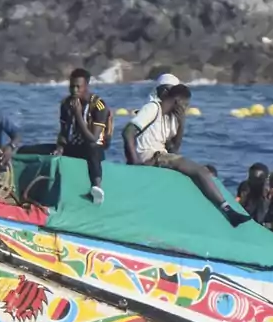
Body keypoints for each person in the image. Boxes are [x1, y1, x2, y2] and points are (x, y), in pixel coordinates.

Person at [123, 84, 237, 217]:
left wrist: (182, 122)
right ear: (177, 101)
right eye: (185, 105)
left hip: (162, 156)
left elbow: (174, 150)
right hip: (150, 156)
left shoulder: (170, 119)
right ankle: (226, 208)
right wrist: (135, 163)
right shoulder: (153, 108)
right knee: (200, 171)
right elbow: (128, 132)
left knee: (189, 175)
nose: (186, 109)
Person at [53, 68, 112, 204]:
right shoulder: (66, 104)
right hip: (75, 146)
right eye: (72, 86)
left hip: (95, 148)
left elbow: (93, 138)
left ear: (86, 86)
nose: (74, 90)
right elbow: (63, 131)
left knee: (92, 147)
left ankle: (97, 186)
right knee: (35, 149)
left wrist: (78, 115)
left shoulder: (98, 105)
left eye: (78, 87)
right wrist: (60, 147)